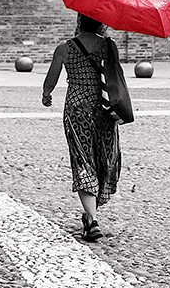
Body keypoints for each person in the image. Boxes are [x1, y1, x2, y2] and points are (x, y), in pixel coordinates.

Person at [42, 13, 122, 241]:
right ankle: (90, 217)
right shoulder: (109, 46)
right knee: (103, 157)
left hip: (77, 111)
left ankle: (91, 219)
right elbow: (116, 77)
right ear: (100, 23)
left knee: (83, 158)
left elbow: (51, 79)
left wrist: (46, 95)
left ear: (79, 22)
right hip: (104, 109)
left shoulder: (64, 48)